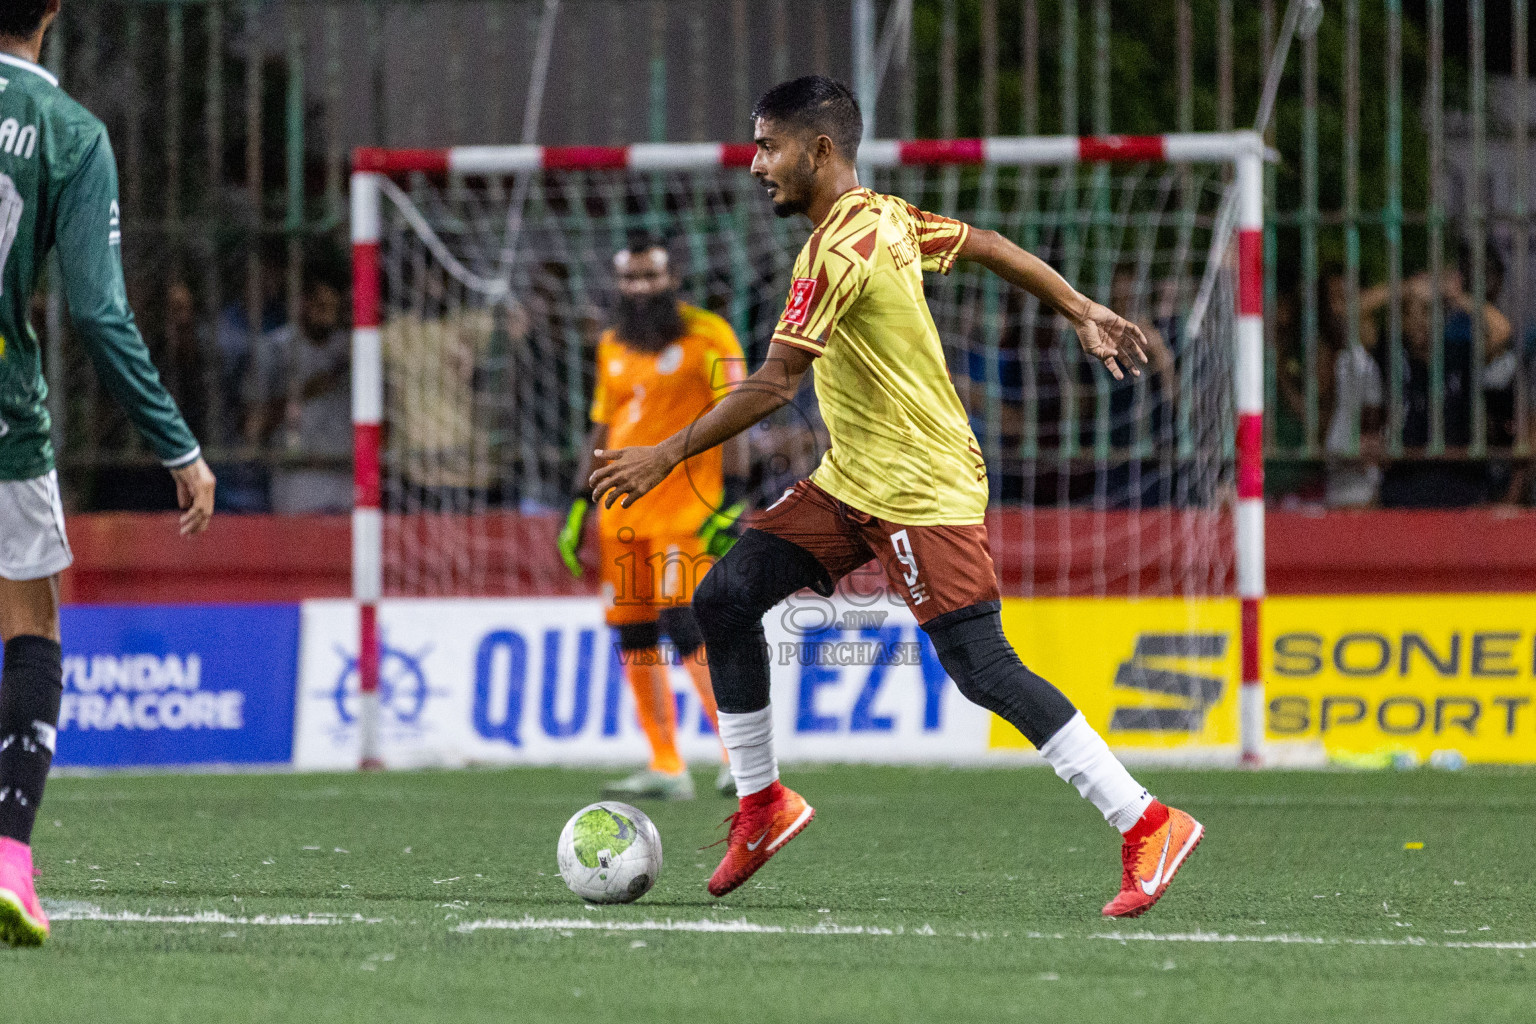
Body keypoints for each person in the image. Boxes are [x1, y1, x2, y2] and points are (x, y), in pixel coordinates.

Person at [589, 77, 1201, 918]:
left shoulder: (836, 251)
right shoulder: (888, 216)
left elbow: (772, 386)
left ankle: (1148, 821)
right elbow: (985, 242)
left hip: (920, 485)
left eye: (769, 146)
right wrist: (1080, 306)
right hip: (855, 477)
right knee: (725, 596)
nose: (757, 163)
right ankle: (763, 805)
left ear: (821, 151)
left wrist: (664, 452)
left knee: (983, 668)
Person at [0, 0, 216, 948]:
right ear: (51, 11)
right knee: (31, 620)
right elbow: (96, 310)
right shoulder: (70, 133)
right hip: (4, 414)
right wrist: (178, 444)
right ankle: (8, 862)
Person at [561, 235, 748, 800]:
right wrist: (576, 502)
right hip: (621, 514)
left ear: (672, 280)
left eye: (650, 277)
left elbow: (739, 410)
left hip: (688, 509)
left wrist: (735, 497)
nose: (639, 289)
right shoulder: (613, 343)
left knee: (686, 621)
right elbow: (603, 425)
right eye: (630, 279)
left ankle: (741, 758)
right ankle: (666, 764)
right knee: (632, 631)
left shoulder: (709, 334)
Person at [247, 263, 352, 514]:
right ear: (302, 303)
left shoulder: (352, 350)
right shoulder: (274, 349)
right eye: (321, 306)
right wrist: (304, 393)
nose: (328, 316)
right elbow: (252, 426)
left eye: (334, 308)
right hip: (299, 487)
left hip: (346, 486)